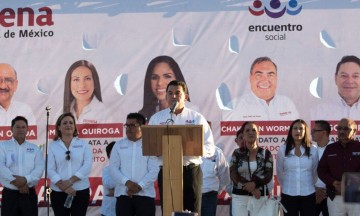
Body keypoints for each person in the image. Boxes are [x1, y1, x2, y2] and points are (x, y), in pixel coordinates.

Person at [148, 80, 215, 214]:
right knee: (169, 211)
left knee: (192, 211)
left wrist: (193, 148)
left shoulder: (197, 118)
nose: (173, 96)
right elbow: (149, 147)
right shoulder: (156, 119)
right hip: (167, 170)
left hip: (191, 171)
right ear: (165, 96)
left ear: (185, 96)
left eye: (178, 93)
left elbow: (210, 148)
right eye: (170, 93)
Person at [110, 113, 159, 216]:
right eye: (127, 125)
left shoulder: (150, 145)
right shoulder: (118, 145)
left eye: (132, 125)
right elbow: (113, 169)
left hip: (145, 195)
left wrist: (139, 186)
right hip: (124, 194)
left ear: (142, 127)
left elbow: (154, 170)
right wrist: (128, 183)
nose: (128, 128)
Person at [223, 56, 299, 120]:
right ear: (250, 78)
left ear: (276, 78)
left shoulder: (287, 103)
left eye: (270, 75)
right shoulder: (235, 107)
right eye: (259, 75)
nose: (265, 80)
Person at [48, 112, 93, 216]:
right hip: (58, 191)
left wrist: (70, 181)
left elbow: (87, 166)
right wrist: (64, 187)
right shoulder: (52, 146)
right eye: (65, 123)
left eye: (71, 123)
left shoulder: (83, 144)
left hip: (80, 190)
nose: (68, 125)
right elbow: (50, 169)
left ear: (74, 126)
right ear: (59, 127)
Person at [0, 116, 44, 216]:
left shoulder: (35, 148)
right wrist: (19, 183)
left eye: (23, 127)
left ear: (27, 129)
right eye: (18, 127)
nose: (21, 130)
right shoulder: (2, 146)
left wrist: (25, 180)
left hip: (28, 194)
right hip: (10, 195)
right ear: (11, 129)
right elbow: (1, 167)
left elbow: (39, 168)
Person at [229, 122, 274, 216]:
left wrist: (254, 184)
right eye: (247, 130)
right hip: (239, 197)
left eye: (254, 130)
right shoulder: (237, 153)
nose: (251, 132)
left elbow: (268, 174)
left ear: (258, 134)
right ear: (243, 135)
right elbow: (233, 174)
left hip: (259, 197)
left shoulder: (266, 153)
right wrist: (252, 189)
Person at [318, 118, 360, 216]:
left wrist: (348, 184)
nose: (341, 131)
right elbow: (321, 170)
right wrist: (333, 182)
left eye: (346, 129)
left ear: (354, 131)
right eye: (339, 128)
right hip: (335, 197)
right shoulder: (330, 148)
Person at [276, 119, 318, 216]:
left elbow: (315, 173)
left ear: (305, 132)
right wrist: (287, 186)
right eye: (295, 128)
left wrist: (309, 184)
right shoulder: (283, 149)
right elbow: (280, 172)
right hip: (288, 194)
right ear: (291, 131)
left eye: (301, 129)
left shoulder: (313, 150)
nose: (298, 131)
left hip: (308, 194)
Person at [139, 55, 197, 121]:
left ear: (177, 78)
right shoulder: (146, 114)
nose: (159, 83)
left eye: (167, 76)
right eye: (154, 77)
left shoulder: (192, 111)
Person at [311, 55, 360, 120]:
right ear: (335, 78)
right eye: (344, 76)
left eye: (355, 76)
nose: (350, 81)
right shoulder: (318, 112)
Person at [201, 145, 230, 216]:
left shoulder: (217, 152)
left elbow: (225, 176)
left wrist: (218, 191)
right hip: (190, 194)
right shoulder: (188, 150)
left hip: (209, 196)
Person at [311, 120, 331, 216]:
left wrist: (325, 191)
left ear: (323, 132)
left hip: (331, 195)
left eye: (314, 130)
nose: (311, 133)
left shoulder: (334, 149)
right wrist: (316, 190)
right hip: (313, 194)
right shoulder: (310, 150)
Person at [100, 141, 116, 216]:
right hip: (108, 212)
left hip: (126, 210)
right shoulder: (106, 169)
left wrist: (117, 190)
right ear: (109, 155)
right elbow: (109, 184)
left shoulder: (129, 169)